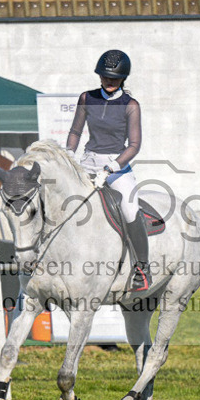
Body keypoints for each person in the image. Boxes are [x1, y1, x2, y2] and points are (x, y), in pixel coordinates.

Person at [66, 49, 150, 292]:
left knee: (130, 208)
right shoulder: (86, 98)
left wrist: (112, 167)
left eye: (113, 78)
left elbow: (134, 145)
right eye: (105, 76)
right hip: (87, 161)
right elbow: (75, 132)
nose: (109, 81)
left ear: (123, 78)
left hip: (117, 165)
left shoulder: (130, 105)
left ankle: (142, 269)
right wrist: (69, 155)